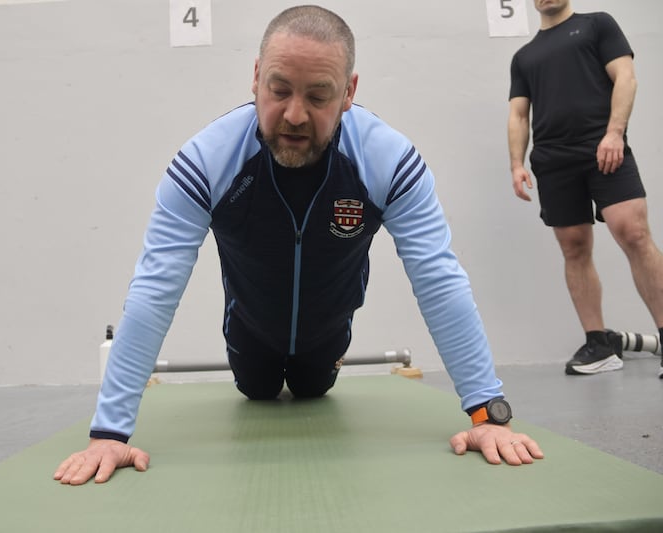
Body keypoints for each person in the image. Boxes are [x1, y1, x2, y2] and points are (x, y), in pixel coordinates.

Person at [54, 5, 544, 485]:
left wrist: (487, 413)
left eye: (318, 96)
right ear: (255, 77)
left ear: (349, 92)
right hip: (249, 333)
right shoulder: (207, 162)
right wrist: (109, 432)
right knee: (259, 390)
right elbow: (154, 289)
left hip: (328, 335)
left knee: (312, 388)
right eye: (279, 90)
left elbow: (438, 279)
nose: (293, 114)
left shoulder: (387, 161)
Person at [508, 0, 663, 378]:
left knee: (634, 233)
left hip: (603, 147)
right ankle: (598, 344)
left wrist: (614, 133)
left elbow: (625, 78)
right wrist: (516, 164)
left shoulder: (597, 25)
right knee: (574, 247)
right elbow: (518, 113)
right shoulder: (524, 56)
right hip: (553, 160)